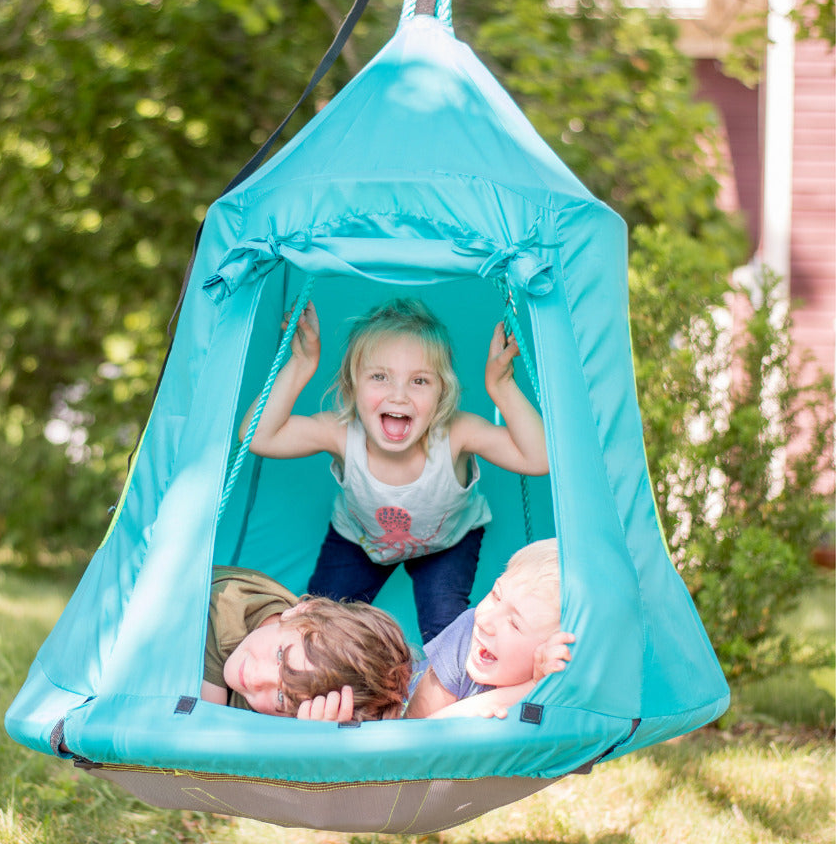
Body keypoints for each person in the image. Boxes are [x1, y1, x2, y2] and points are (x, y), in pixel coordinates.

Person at [244, 297, 548, 642]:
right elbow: (257, 435)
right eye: (379, 377)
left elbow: (538, 459)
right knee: (318, 623)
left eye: (419, 381)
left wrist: (502, 388)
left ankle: (445, 691)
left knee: (444, 630)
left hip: (447, 542)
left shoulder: (456, 433)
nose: (399, 395)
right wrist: (300, 364)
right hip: (360, 540)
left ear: (441, 393)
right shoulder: (341, 433)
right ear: (352, 385)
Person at [199, 565, 410, 721]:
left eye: (281, 697)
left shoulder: (298, 631)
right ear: (302, 610)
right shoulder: (225, 607)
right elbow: (202, 734)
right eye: (280, 655)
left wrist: (310, 738)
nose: (256, 678)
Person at [404, 538, 574, 719]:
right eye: (496, 595)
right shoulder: (466, 633)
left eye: (515, 624)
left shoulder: (562, 682)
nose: (485, 620)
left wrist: (535, 688)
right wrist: (528, 688)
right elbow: (419, 729)